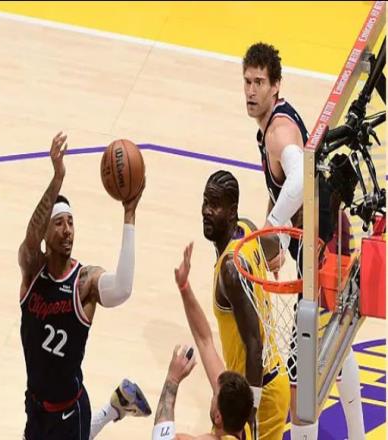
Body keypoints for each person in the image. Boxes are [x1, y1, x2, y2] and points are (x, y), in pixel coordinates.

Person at [242, 42, 365, 440]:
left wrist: (273, 225)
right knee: (338, 344)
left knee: (301, 376)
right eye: (247, 81)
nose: (251, 91)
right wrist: (278, 231)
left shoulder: (278, 133)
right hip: (329, 237)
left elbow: (297, 179)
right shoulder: (271, 124)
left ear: (276, 85)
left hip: (323, 250)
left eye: (260, 82)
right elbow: (283, 187)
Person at [18, 132, 150, 439]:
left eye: (71, 222)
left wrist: (129, 215)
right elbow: (30, 238)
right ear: (46, 232)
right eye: (59, 223)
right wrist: (57, 178)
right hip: (36, 406)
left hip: (69, 411)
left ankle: (111, 410)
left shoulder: (84, 282)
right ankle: (116, 406)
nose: (67, 230)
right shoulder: (32, 271)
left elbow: (122, 289)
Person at [200, 169, 290, 439]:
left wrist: (249, 414)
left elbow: (254, 344)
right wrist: (278, 255)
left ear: (231, 212)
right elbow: (273, 246)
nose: (206, 211)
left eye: (215, 205)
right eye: (205, 202)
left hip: (258, 391)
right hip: (254, 384)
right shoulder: (247, 230)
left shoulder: (230, 269)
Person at [151, 344, 253, 440]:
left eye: (214, 395)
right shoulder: (243, 425)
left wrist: (173, 380)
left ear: (218, 417)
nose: (212, 397)